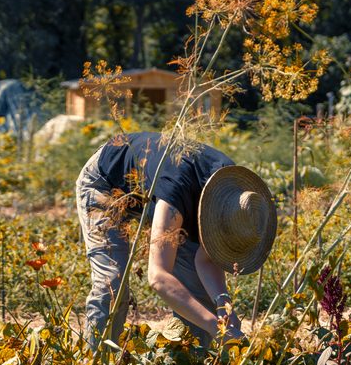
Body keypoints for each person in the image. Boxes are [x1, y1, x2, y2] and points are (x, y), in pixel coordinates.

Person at [75, 131, 276, 350]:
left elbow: (206, 260)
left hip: (162, 193)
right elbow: (158, 277)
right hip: (104, 184)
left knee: (198, 295)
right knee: (113, 284)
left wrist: (223, 305)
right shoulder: (175, 193)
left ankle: (191, 364)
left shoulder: (231, 191)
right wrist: (216, 328)